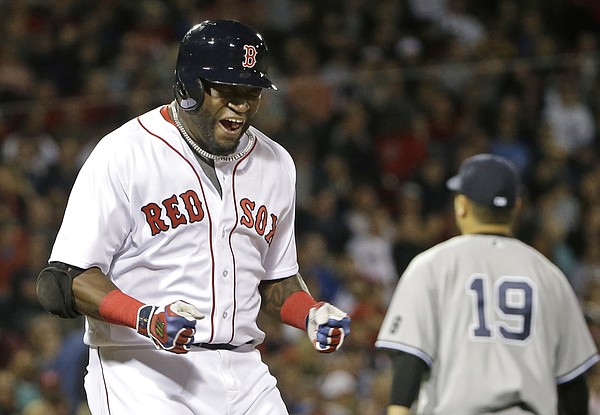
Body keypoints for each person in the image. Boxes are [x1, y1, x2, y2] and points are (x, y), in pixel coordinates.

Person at [36, 19, 351, 415]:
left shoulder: (276, 163)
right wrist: (145, 317)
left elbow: (274, 279)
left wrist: (310, 313)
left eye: (251, 92)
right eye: (226, 90)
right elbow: (66, 278)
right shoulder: (125, 153)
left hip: (245, 369)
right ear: (189, 86)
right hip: (143, 369)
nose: (241, 104)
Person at [375, 153, 599, 415]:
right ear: (516, 207)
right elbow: (572, 382)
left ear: (462, 205)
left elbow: (409, 359)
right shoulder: (550, 276)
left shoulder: (432, 266)